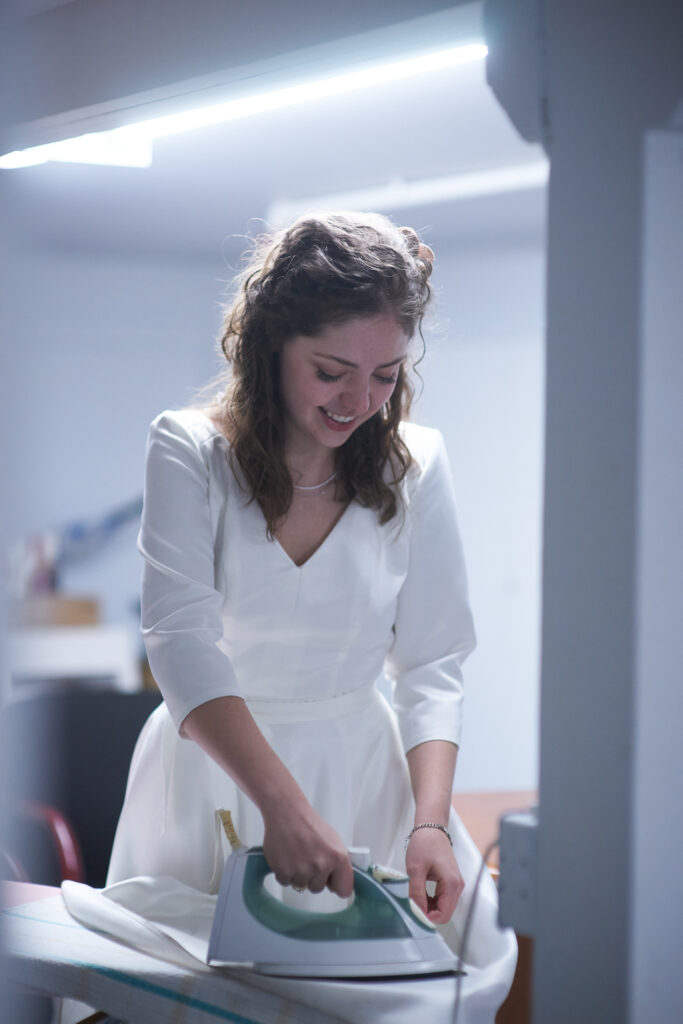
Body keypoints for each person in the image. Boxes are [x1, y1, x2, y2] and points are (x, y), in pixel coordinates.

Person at [105, 212, 515, 1001]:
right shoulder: (189, 451)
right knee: (206, 992)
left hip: (363, 767)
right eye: (331, 371)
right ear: (271, 348)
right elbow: (181, 645)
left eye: (386, 375)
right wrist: (282, 809)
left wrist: (428, 824)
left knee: (407, 989)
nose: (360, 399)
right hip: (213, 769)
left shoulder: (413, 466)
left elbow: (433, 661)